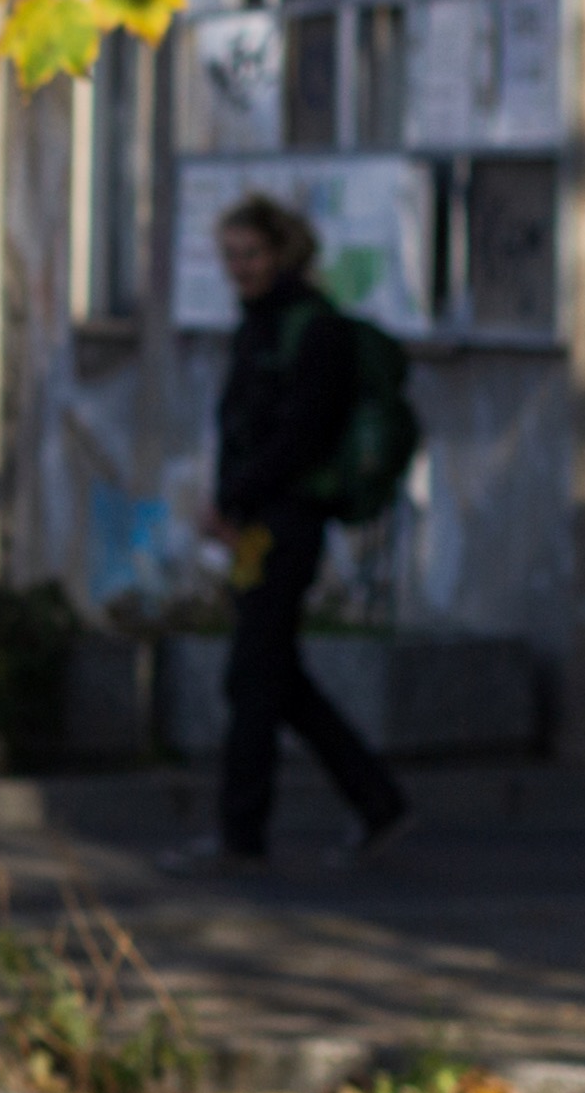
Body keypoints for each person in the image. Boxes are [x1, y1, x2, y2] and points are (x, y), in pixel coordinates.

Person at [167, 192, 407, 876]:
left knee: (253, 675)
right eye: (229, 256)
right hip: (256, 520)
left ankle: (241, 835)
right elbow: (240, 426)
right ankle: (377, 801)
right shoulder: (258, 325)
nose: (238, 268)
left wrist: (238, 496)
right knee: (274, 674)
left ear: (281, 253)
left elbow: (299, 435)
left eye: (250, 254)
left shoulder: (312, 329)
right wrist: (227, 504)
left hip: (290, 519)